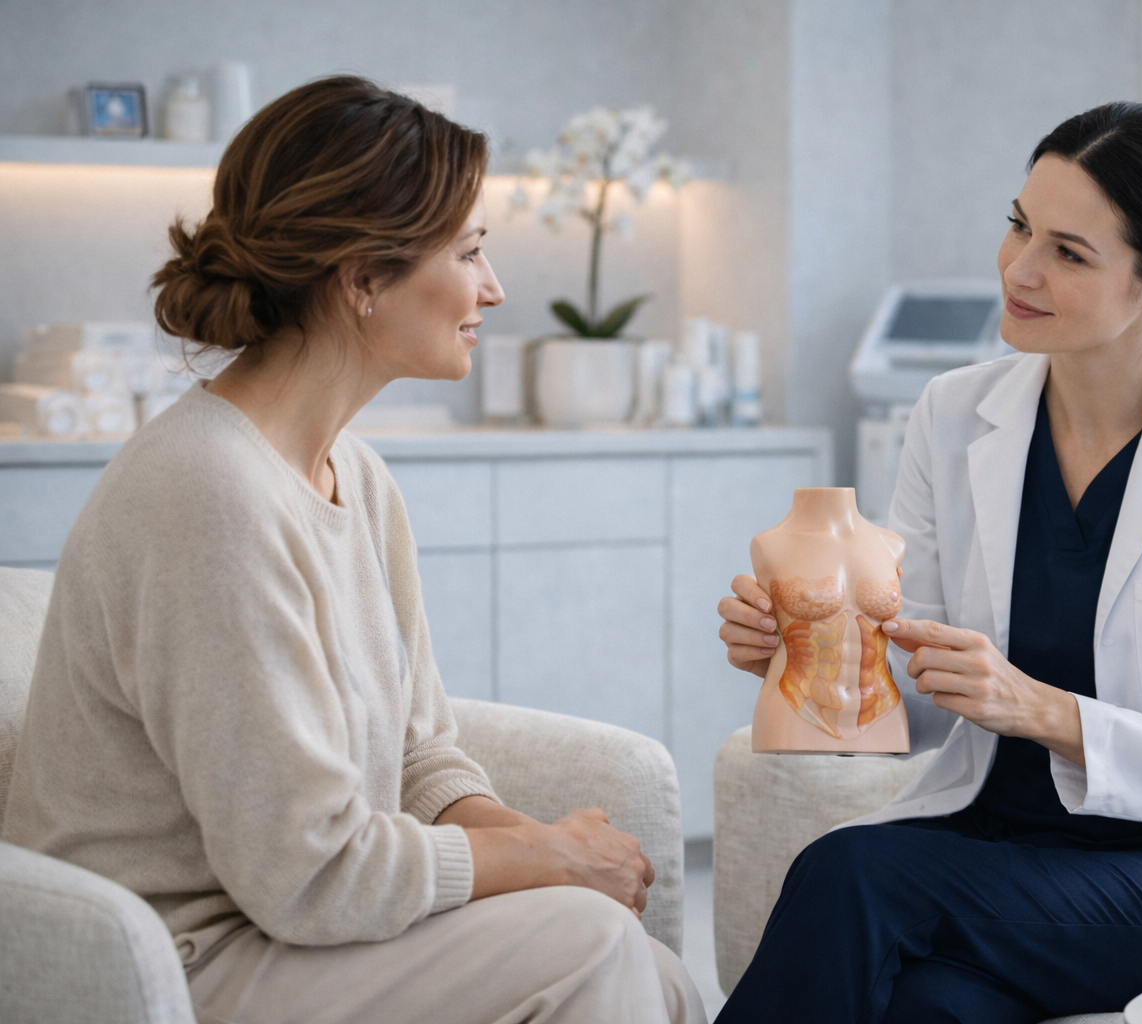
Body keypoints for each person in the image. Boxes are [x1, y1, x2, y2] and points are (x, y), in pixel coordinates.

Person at [2, 76, 704, 1024]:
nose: (493, 289)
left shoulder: (355, 477)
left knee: (647, 967)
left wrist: (542, 850)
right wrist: (545, 860)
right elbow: (309, 873)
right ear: (363, 279)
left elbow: (421, 757)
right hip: (188, 956)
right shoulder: (210, 496)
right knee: (588, 948)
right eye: (469, 253)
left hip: (292, 929)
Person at [714, 102, 1142, 1023]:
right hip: (1002, 842)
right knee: (929, 1007)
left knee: (856, 874)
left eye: (1069, 253)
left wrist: (1039, 708)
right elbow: (914, 693)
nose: (1019, 269)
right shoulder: (953, 417)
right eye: (1018, 225)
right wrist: (812, 658)